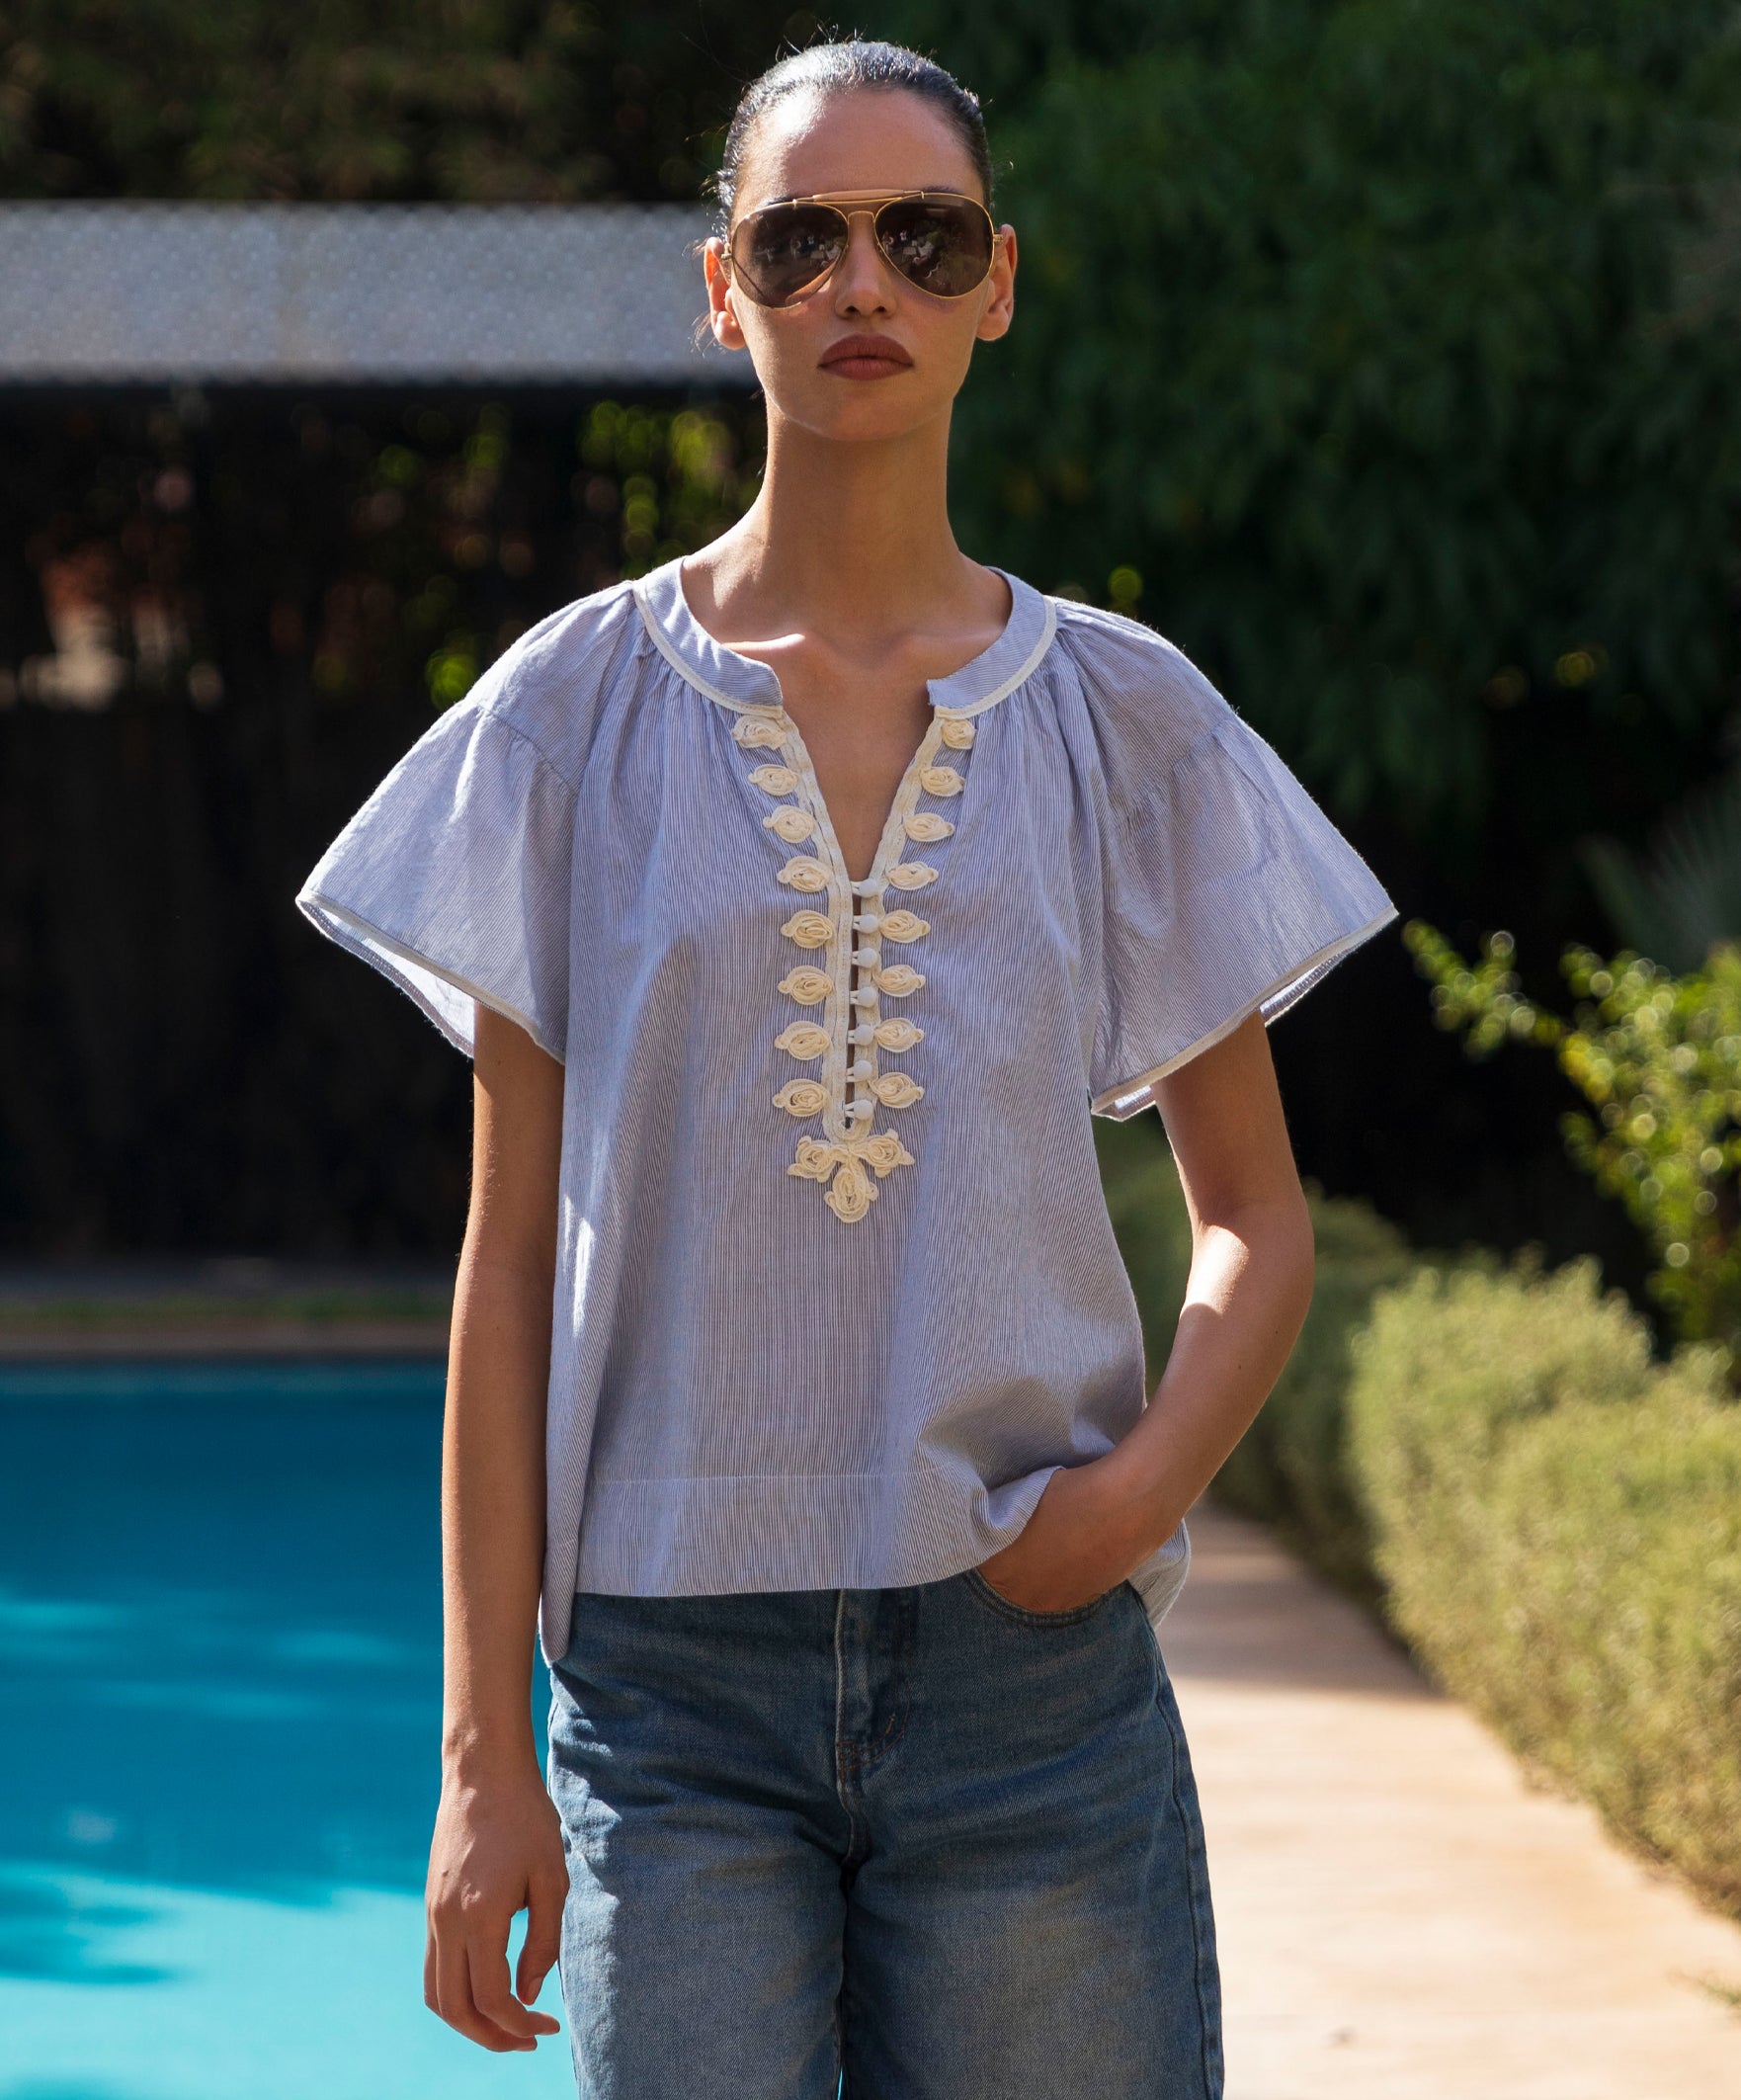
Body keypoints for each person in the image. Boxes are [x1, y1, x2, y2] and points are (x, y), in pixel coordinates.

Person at [295, 34, 1396, 2100]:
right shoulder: (566, 715)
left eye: (923, 237)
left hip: (1030, 1685)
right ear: (723, 289)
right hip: (665, 1696)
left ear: (998, 283)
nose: (860, 282)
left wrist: (1135, 1494)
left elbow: (1253, 1213)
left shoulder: (1125, 718)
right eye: (800, 237)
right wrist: (478, 1758)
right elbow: (511, 1257)